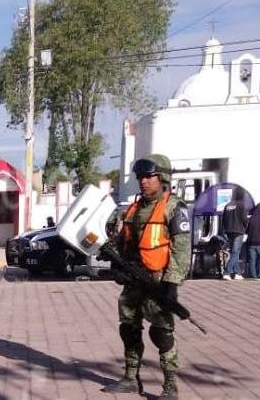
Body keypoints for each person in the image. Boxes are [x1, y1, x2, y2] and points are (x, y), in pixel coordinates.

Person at [102, 154, 191, 400]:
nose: (143, 181)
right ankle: (131, 378)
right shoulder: (133, 208)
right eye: (140, 177)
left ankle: (170, 385)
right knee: (128, 328)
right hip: (134, 280)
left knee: (161, 333)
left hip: (158, 280)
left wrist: (172, 283)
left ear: (162, 177)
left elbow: (181, 248)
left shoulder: (173, 207)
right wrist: (117, 266)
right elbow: (123, 242)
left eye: (148, 176)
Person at [221, 187, 248, 280]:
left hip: (229, 231)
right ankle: (227, 272)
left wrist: (225, 229)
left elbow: (223, 219)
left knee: (233, 252)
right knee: (235, 252)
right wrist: (245, 227)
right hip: (238, 231)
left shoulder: (228, 205)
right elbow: (245, 219)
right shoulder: (241, 205)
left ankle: (237, 273)